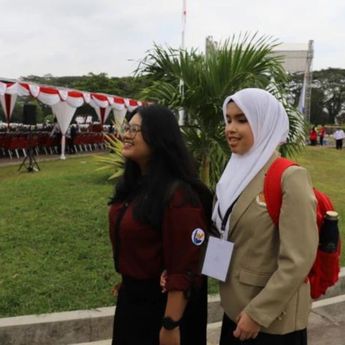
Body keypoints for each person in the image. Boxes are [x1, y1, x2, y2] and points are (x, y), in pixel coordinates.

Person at [212, 88, 318, 345]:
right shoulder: (233, 172)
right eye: (228, 119)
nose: (230, 128)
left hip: (271, 324)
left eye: (242, 119)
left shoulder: (288, 176)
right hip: (234, 309)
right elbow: (224, 229)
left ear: (264, 122)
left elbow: (298, 259)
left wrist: (258, 314)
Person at [108, 104, 212, 345]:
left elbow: (184, 266)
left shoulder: (179, 195)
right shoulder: (135, 185)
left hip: (161, 311)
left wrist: (170, 324)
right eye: (127, 128)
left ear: (158, 138)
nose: (126, 135)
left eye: (135, 130)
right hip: (132, 303)